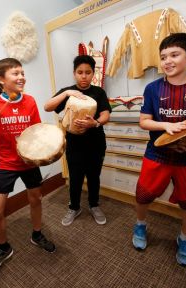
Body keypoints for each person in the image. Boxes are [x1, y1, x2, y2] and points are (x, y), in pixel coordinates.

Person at [131, 33, 186, 267]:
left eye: (174, 55)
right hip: (156, 154)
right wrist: (165, 125)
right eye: (163, 57)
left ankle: (185, 239)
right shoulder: (152, 88)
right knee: (143, 194)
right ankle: (140, 225)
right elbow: (144, 121)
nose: (167, 61)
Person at [0, 58, 55, 272]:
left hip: (29, 162)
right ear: (1, 79)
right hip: (7, 164)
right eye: (15, 74)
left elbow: (37, 131)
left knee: (35, 198)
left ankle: (37, 234)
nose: (21, 77)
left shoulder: (30, 101)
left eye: (22, 72)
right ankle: (4, 247)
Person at [44, 55, 112, 226]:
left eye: (88, 72)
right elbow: (47, 107)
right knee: (75, 178)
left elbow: (106, 114)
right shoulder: (69, 92)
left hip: (96, 143)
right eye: (80, 72)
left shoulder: (99, 92)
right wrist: (67, 93)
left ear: (92, 74)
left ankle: (94, 205)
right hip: (74, 144)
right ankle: (74, 207)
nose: (84, 76)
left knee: (94, 177)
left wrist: (95, 123)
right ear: (74, 73)